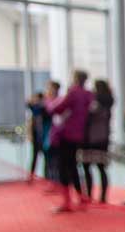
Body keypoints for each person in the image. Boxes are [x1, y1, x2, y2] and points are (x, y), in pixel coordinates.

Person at [47, 70, 93, 213]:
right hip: (78, 135)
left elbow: (56, 108)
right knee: (73, 167)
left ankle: (67, 202)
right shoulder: (88, 95)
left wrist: (49, 101)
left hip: (65, 134)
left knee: (63, 167)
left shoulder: (73, 93)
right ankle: (81, 198)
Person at [81, 79, 113, 204]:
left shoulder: (96, 104)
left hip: (91, 139)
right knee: (101, 168)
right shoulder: (109, 103)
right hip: (103, 139)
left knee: (87, 167)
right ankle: (103, 197)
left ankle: (89, 195)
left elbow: (88, 114)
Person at [27, 92, 52, 183]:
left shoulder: (44, 109)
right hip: (37, 138)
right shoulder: (35, 114)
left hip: (45, 139)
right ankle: (31, 176)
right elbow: (29, 105)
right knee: (34, 158)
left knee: (47, 159)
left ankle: (47, 178)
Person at [43, 80, 62, 189]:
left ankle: (57, 182)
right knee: (48, 160)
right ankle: (50, 181)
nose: (49, 91)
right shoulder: (45, 101)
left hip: (57, 136)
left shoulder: (59, 101)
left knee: (55, 160)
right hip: (47, 135)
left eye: (51, 88)